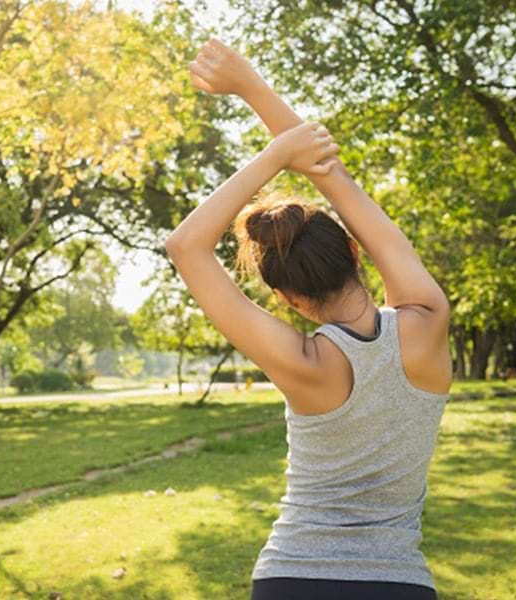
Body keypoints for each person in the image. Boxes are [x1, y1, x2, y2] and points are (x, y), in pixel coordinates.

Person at [165, 38, 452, 600]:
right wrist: (254, 88)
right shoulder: (428, 321)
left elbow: (185, 246)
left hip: (291, 578)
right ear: (355, 252)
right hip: (398, 585)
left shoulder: (302, 362)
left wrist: (273, 157)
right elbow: (335, 182)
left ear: (288, 300)